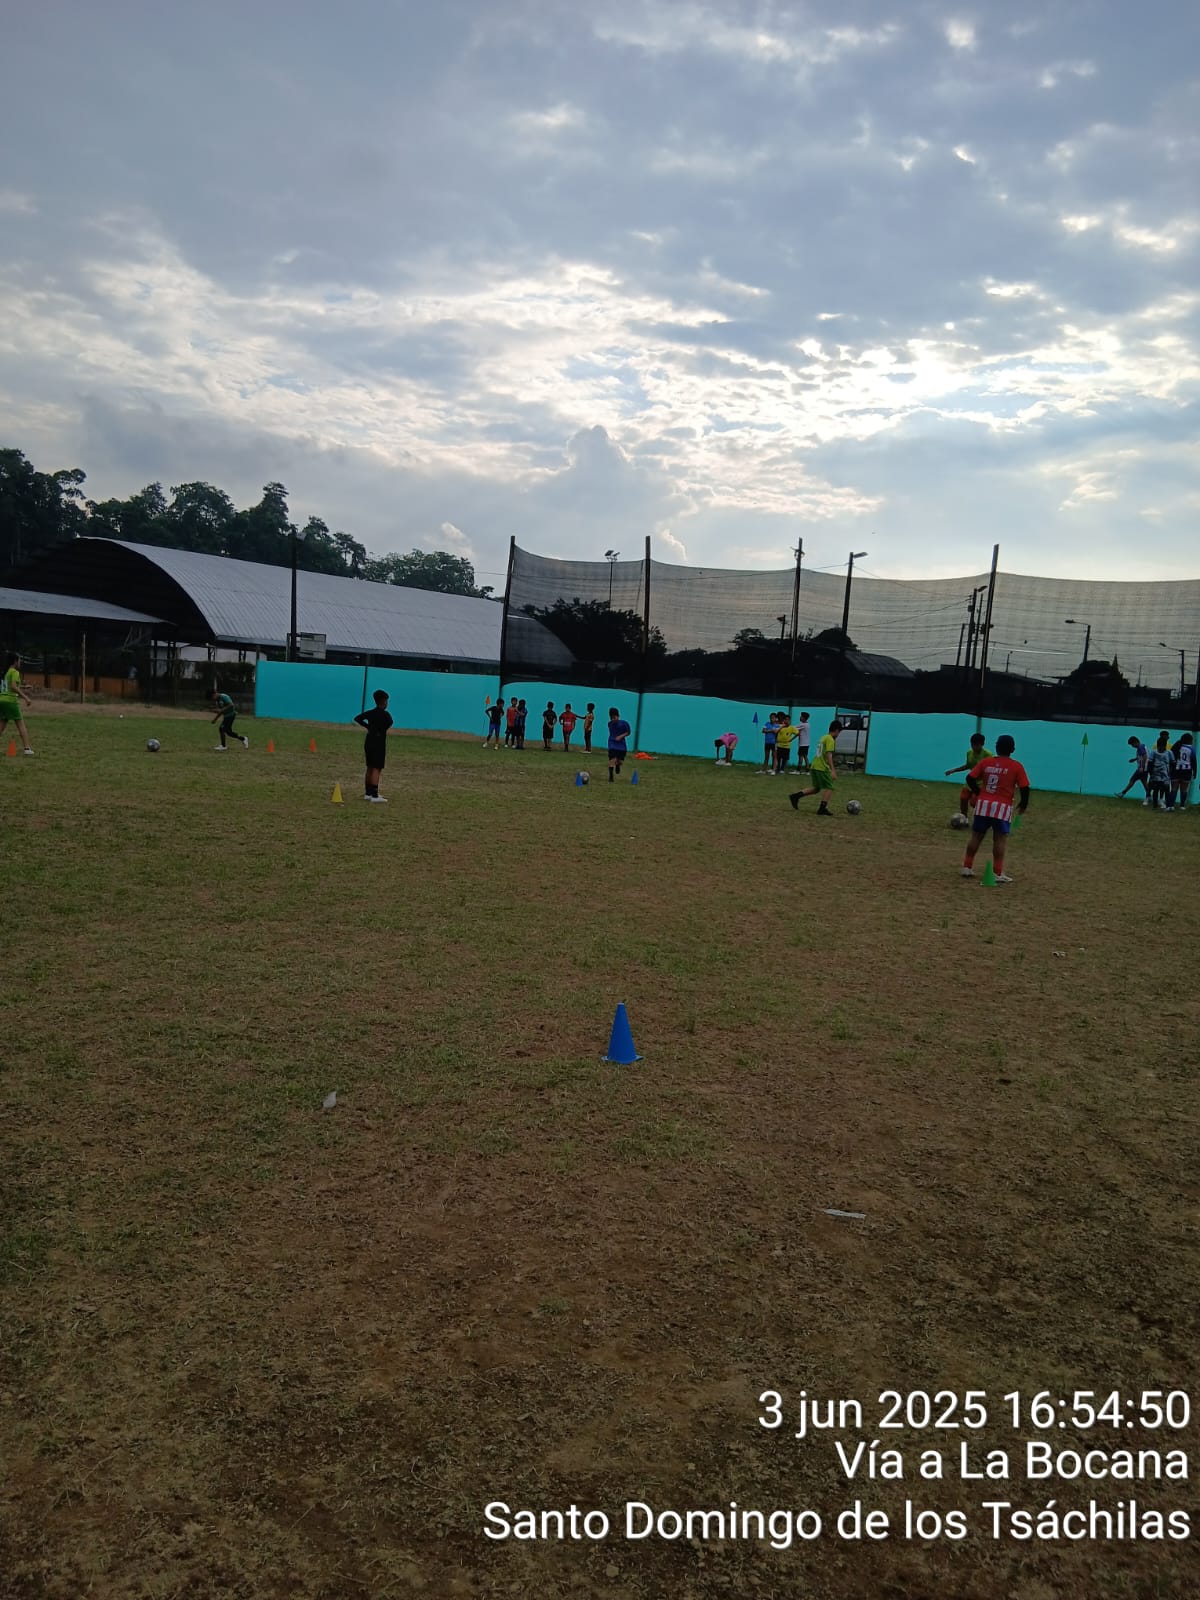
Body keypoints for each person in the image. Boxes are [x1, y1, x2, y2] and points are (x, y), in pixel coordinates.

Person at [960, 734, 1030, 883]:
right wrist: (1023, 804)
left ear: (996, 747)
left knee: (976, 836)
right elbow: (1024, 787)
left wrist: (978, 792)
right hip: (1002, 807)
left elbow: (969, 778)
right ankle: (997, 873)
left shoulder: (986, 762)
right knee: (999, 839)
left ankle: (967, 866)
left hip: (983, 805)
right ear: (1013, 749)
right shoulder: (1017, 766)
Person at [788, 720, 843, 815]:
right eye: (839, 732)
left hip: (814, 765)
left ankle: (795, 796)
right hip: (821, 767)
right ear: (837, 730)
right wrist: (833, 770)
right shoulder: (830, 739)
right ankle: (822, 808)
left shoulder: (823, 737)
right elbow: (829, 754)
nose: (838, 735)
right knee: (830, 787)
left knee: (816, 788)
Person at [354, 688, 393, 802]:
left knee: (370, 766)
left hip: (369, 741)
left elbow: (358, 718)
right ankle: (375, 795)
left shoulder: (371, 713)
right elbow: (390, 723)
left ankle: (368, 793)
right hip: (379, 742)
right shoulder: (385, 715)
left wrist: (368, 727)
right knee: (377, 767)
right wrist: (381, 730)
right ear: (384, 701)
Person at [945, 732, 993, 818]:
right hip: (971, 780)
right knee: (963, 798)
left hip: (981, 782)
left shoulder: (988, 755)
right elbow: (968, 765)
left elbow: (991, 770)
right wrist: (954, 770)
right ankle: (964, 818)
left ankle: (983, 817)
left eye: (976, 745)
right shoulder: (969, 753)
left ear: (982, 744)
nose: (974, 747)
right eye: (972, 744)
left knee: (974, 802)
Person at [0, 652, 35, 755]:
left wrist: (24, 687)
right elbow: (13, 687)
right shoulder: (15, 672)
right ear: (15, 661)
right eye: (19, 660)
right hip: (10, 701)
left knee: (2, 724)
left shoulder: (5, 672)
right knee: (20, 724)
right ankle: (27, 748)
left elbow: (8, 686)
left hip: (1, 700)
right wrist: (26, 698)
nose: (20, 663)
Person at [1117, 734, 1150, 802]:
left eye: (1132, 744)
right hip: (1145, 768)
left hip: (1142, 768)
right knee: (1144, 782)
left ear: (1136, 742)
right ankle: (1148, 796)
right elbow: (1142, 756)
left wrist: (1141, 767)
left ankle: (1122, 793)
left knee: (1132, 780)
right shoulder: (1142, 746)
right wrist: (1135, 759)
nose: (1132, 746)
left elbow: (1145, 757)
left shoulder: (1140, 747)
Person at [1146, 732, 1173, 811]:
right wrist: (1150, 772)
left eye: (1162, 746)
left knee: (1166, 789)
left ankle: (1168, 805)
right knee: (1156, 789)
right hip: (1155, 774)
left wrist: (1171, 772)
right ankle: (1155, 805)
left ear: (1165, 746)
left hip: (1165, 774)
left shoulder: (1169, 752)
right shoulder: (1154, 752)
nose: (1161, 748)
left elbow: (1173, 763)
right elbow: (1150, 763)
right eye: (1159, 746)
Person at [1171, 732, 1195, 810]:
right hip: (1187, 770)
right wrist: (1195, 772)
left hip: (1176, 769)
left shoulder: (1176, 746)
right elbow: (1193, 761)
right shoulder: (1191, 748)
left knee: (1174, 788)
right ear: (1189, 740)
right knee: (1184, 789)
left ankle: (1171, 805)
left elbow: (1171, 758)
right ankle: (1182, 805)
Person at [607, 706, 631, 781]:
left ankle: (618, 765)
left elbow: (628, 732)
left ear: (618, 716)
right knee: (612, 759)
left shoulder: (624, 723)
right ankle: (611, 776)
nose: (613, 719)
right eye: (611, 718)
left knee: (620, 761)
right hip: (612, 743)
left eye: (614, 717)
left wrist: (620, 736)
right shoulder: (610, 724)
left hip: (621, 744)